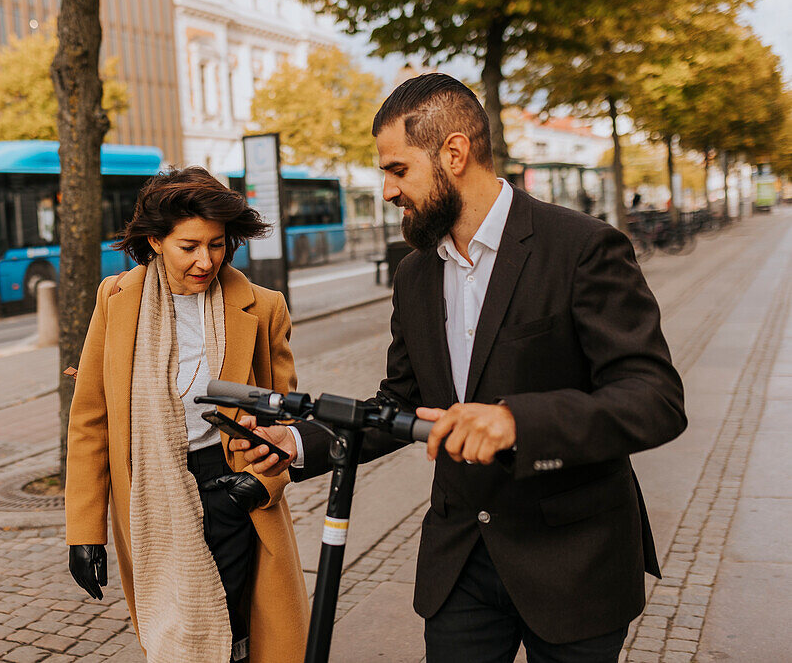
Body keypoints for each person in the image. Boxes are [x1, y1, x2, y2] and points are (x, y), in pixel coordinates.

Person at [234, 73, 687, 662]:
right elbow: (399, 401)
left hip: (574, 559)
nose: (390, 191)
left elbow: (654, 398)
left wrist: (519, 423)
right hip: (461, 561)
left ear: (454, 152)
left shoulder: (582, 247)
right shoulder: (415, 274)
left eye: (398, 170)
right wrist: (296, 443)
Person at [64, 166, 309, 663]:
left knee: (235, 628)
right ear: (155, 241)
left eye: (216, 244)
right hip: (150, 494)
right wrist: (85, 533)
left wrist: (261, 486)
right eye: (189, 246)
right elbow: (91, 421)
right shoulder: (116, 301)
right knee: (176, 631)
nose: (206, 260)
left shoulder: (262, 307)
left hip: (232, 486)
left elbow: (287, 420)